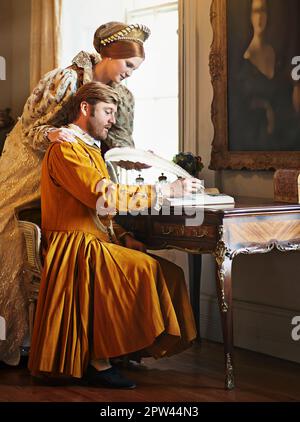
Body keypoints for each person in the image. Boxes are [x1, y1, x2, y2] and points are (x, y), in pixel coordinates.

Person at [28, 81, 200, 388]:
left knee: (169, 272)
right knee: (144, 269)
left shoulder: (89, 149)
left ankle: (126, 348)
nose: (112, 119)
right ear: (85, 109)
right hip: (73, 246)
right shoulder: (66, 148)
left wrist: (122, 237)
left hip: (95, 239)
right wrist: (166, 190)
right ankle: (99, 361)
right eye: (107, 111)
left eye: (114, 112)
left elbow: (99, 213)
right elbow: (102, 197)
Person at [0, 21, 152, 365]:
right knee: (10, 236)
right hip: (29, 162)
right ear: (109, 55)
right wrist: (53, 136)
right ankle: (15, 341)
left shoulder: (122, 97)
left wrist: (135, 160)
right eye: (128, 65)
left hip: (79, 164)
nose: (130, 74)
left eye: (135, 69)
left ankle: (96, 342)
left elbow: (118, 143)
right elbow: (31, 128)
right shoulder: (65, 78)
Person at [229, 0, 300, 151]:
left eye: (263, 11)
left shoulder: (278, 55)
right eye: (256, 11)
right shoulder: (244, 61)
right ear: (249, 16)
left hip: (283, 140)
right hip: (254, 140)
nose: (260, 17)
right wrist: (265, 107)